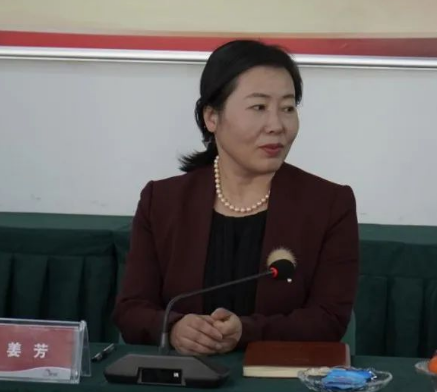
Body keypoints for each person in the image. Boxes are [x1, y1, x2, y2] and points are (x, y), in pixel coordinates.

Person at [113, 40, 359, 356]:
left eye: (287, 108)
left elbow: (328, 320)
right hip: (185, 375)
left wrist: (246, 332)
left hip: (278, 377)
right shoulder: (162, 202)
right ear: (212, 117)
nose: (277, 125)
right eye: (259, 107)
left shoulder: (329, 205)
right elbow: (131, 310)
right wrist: (173, 328)